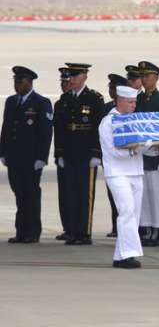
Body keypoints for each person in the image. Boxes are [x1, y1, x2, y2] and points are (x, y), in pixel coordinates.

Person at [53, 63, 104, 245]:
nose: (71, 80)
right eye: (70, 77)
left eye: (75, 76)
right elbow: (59, 129)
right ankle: (73, 231)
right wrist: (58, 153)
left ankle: (84, 232)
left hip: (86, 153)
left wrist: (96, 153)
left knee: (85, 194)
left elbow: (100, 127)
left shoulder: (94, 99)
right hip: (69, 153)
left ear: (84, 77)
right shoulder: (64, 100)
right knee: (71, 193)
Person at [0, 66, 53, 244]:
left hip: (31, 159)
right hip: (14, 158)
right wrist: (3, 152)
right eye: (15, 82)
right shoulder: (11, 101)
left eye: (20, 82)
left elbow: (45, 133)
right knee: (19, 194)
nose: (17, 85)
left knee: (31, 194)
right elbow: (6, 128)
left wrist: (41, 157)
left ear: (30, 83)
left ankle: (32, 231)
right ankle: (21, 231)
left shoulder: (41, 102)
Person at [99, 86, 146, 269]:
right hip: (117, 172)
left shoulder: (134, 121)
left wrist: (158, 146)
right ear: (119, 101)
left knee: (134, 214)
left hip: (135, 171)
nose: (134, 106)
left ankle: (120, 255)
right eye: (130, 102)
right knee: (126, 211)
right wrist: (137, 148)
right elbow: (113, 152)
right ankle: (128, 254)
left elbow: (143, 146)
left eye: (135, 102)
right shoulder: (108, 122)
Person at [135, 61, 159, 247]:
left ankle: (158, 230)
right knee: (143, 194)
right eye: (142, 76)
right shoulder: (139, 100)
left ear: (156, 78)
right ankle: (147, 228)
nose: (144, 80)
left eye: (147, 76)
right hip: (140, 155)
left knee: (156, 194)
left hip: (156, 155)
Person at [103, 73, 128, 238]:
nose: (111, 90)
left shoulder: (129, 108)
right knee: (113, 196)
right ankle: (115, 225)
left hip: (126, 162)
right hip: (112, 161)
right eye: (110, 87)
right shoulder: (106, 109)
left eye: (114, 88)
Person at [54, 67, 72, 241]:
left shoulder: (86, 100)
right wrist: (58, 154)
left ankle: (78, 228)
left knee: (77, 194)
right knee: (64, 194)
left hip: (77, 155)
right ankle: (68, 227)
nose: (64, 85)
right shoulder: (59, 104)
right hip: (63, 155)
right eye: (62, 82)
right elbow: (58, 132)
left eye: (67, 81)